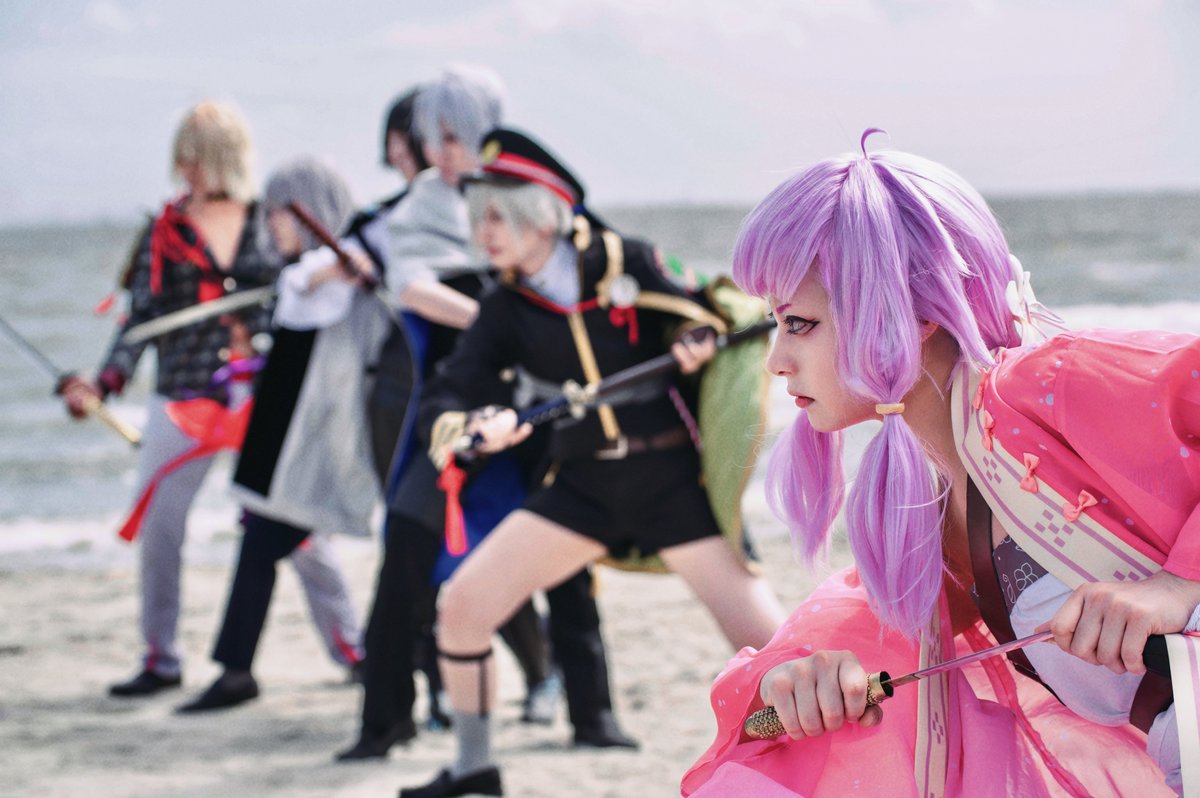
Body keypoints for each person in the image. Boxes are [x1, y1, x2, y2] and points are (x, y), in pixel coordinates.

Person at [681, 132, 1200, 797]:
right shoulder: (941, 509)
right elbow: (856, 635)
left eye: (800, 323)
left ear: (907, 312)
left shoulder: (1049, 385)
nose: (777, 360)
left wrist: (1177, 584)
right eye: (775, 325)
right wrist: (799, 679)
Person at [399, 128, 787, 798]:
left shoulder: (624, 260)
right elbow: (452, 387)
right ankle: (473, 767)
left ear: (540, 213)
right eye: (479, 218)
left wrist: (695, 336)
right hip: (580, 486)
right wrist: (473, 426)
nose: (484, 234)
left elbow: (711, 309)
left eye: (497, 216)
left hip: (670, 485)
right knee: (462, 607)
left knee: (775, 651)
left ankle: (804, 753)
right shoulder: (506, 304)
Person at [335, 70, 634, 763]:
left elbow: (596, 264)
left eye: (454, 136)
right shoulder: (417, 208)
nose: (441, 152)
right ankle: (384, 721)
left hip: (540, 406)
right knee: (407, 541)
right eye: (431, 138)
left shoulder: (529, 191)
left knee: (564, 554)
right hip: (456, 400)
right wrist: (495, 323)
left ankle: (593, 714)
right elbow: (409, 286)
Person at [58, 100, 296, 698]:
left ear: (226, 158)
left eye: (199, 157)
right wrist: (104, 383)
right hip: (183, 395)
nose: (186, 169)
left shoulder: (270, 222)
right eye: (182, 157)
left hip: (259, 394)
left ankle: (355, 650)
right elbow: (138, 320)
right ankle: (161, 659)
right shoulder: (162, 231)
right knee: (160, 527)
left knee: (295, 522)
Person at [177, 156, 377, 712]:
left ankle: (371, 660)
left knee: (268, 548)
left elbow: (318, 292)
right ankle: (354, 660)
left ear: (310, 210)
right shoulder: (310, 275)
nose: (271, 224)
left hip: (314, 450)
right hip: (285, 450)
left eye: (280, 213)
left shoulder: (351, 273)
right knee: (265, 546)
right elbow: (301, 287)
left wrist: (345, 271)